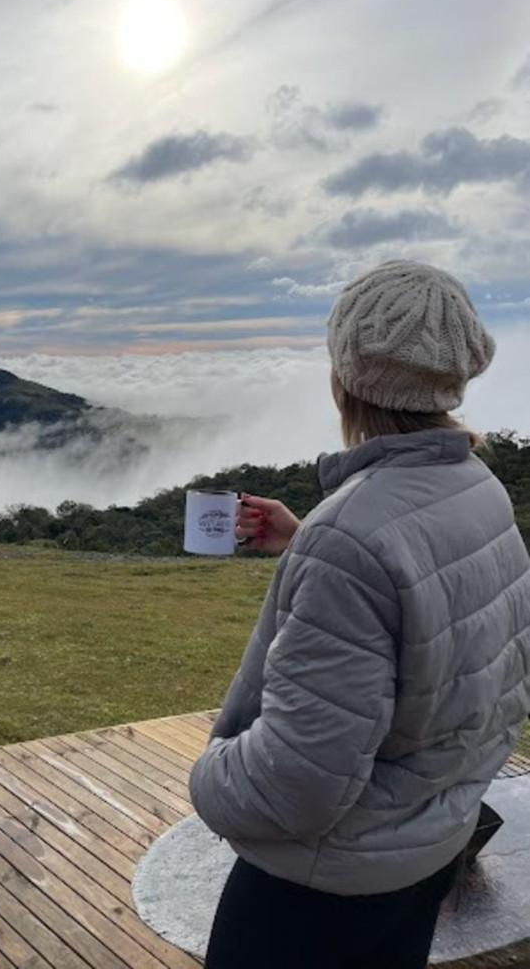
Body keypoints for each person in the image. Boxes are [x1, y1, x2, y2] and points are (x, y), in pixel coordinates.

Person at [189, 260, 530, 969]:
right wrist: (307, 542)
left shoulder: (352, 535)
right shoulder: (476, 486)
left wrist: (209, 774)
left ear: (341, 376)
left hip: (324, 886)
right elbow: (438, 632)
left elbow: (296, 783)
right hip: (428, 847)